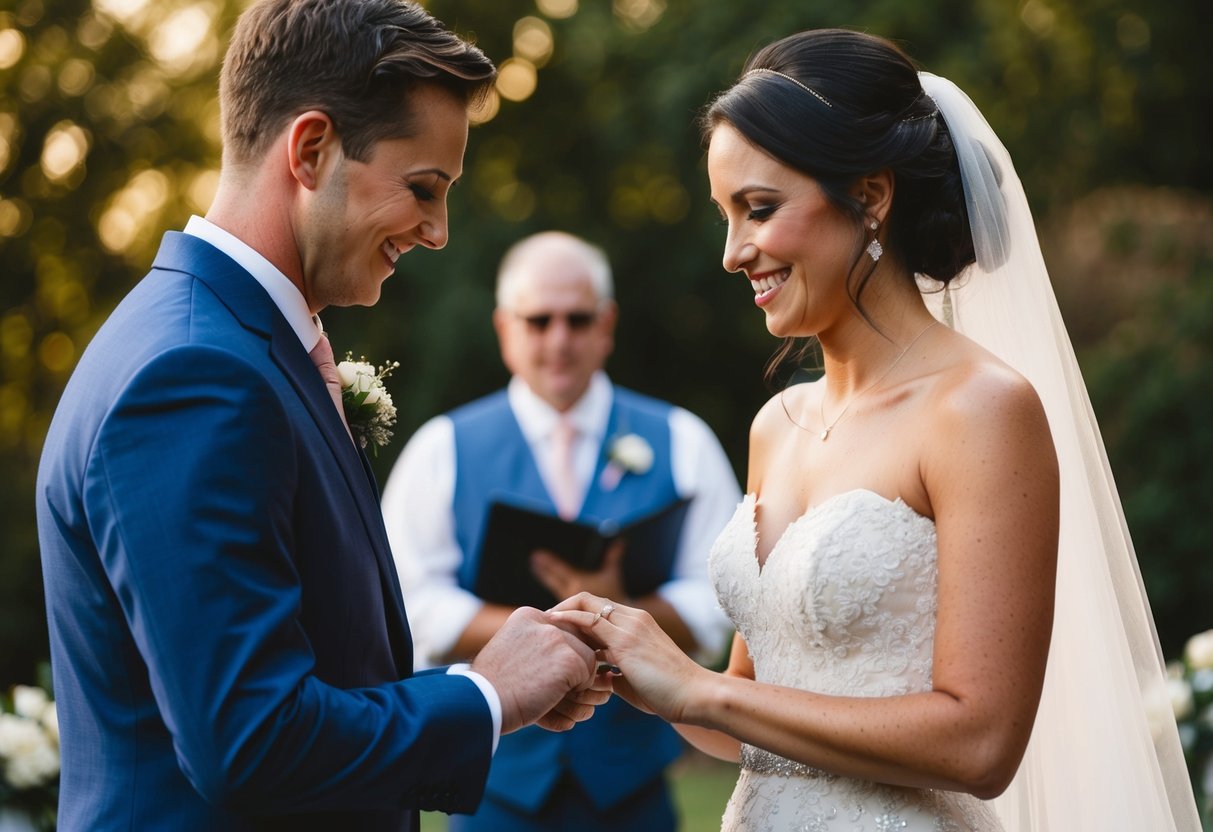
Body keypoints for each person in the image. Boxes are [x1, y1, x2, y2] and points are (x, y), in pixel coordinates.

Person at [552, 29, 1201, 831]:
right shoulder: (776, 425)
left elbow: (981, 742)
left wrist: (704, 689)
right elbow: (748, 720)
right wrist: (635, 659)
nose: (731, 253)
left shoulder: (980, 410)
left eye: (758, 209)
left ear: (870, 196)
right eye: (725, 215)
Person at [34, 3, 610, 830]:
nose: (439, 231)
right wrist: (488, 696)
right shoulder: (193, 375)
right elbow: (251, 741)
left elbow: (324, 666)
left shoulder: (231, 346)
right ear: (310, 150)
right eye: (423, 188)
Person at [380, 230, 741, 831]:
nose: (559, 340)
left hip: (633, 792)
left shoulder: (682, 440)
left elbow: (721, 594)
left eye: (577, 319)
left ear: (607, 324)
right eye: (538, 320)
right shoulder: (442, 449)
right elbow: (409, 603)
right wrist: (554, 630)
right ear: (504, 329)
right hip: (494, 791)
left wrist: (621, 610)